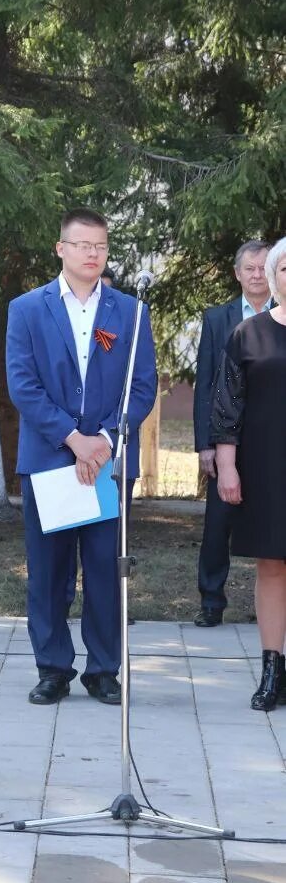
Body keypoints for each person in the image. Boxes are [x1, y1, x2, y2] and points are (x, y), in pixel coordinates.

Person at [6, 208, 157, 706]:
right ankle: (53, 668)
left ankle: (104, 669)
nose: (93, 254)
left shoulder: (131, 312)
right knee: (48, 573)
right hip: (51, 460)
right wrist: (74, 439)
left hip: (108, 465)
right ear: (61, 248)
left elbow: (142, 387)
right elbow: (23, 386)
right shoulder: (27, 309)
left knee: (106, 569)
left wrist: (106, 441)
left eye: (101, 246)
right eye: (83, 244)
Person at [211, 237, 286, 711]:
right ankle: (272, 670)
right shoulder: (248, 333)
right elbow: (226, 408)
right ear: (275, 274)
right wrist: (226, 467)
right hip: (264, 465)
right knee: (272, 565)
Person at [193, 239, 271, 626]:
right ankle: (211, 601)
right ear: (237, 274)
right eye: (250, 269)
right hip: (226, 440)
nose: (257, 275)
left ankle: (272, 608)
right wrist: (205, 445)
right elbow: (206, 384)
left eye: (263, 268)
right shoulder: (217, 319)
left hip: (273, 442)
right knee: (217, 526)